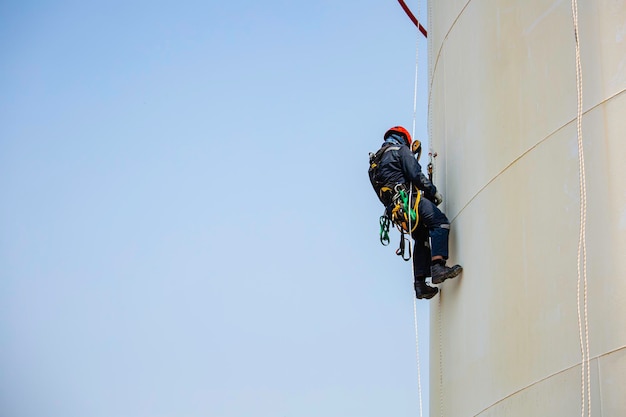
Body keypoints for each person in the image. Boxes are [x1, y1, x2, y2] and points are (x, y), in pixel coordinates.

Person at [369, 126, 462, 299]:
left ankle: (420, 285)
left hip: (396, 212)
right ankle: (438, 267)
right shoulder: (400, 150)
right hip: (409, 202)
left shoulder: (374, 163)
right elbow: (415, 175)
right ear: (404, 139)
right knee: (439, 222)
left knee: (421, 237)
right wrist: (432, 192)